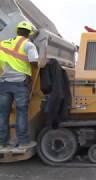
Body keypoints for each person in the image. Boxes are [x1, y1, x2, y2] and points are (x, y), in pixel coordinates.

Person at [0, 21, 39, 150]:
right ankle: (23, 142)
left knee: (3, 114)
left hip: (4, 83)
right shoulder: (28, 45)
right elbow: (34, 62)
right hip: (19, 83)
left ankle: (2, 143)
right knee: (21, 112)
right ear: (28, 33)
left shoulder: (3, 44)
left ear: (17, 31)